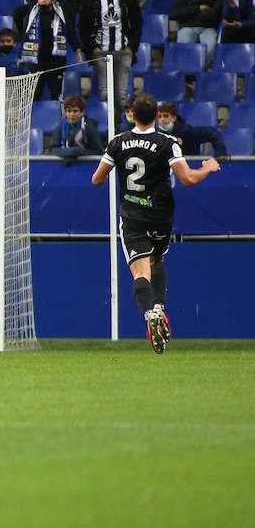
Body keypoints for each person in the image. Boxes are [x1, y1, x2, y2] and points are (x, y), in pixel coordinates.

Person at [90, 92, 219, 353]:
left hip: (132, 215)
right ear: (156, 118)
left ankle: (150, 315)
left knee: (140, 272)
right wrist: (207, 167)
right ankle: (160, 306)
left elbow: (97, 179)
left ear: (133, 116)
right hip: (161, 215)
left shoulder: (118, 142)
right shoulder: (167, 142)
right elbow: (188, 179)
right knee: (157, 260)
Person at [76, 0, 142, 113]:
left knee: (121, 96)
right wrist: (93, 49)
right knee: (105, 93)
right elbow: (83, 27)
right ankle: (107, 131)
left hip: (123, 50)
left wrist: (131, 47)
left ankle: (120, 129)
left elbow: (137, 24)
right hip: (101, 51)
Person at [13, 0, 80, 101]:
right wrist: (21, 56)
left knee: (57, 95)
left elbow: (70, 32)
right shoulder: (32, 15)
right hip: (36, 62)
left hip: (56, 63)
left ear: (53, 0)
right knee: (34, 96)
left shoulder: (61, 15)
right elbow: (26, 35)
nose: (43, 1)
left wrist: (78, 50)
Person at [173, 0, 223, 67]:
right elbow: (178, 12)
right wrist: (199, 9)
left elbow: (216, 14)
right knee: (184, 45)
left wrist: (192, 12)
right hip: (187, 26)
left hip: (208, 28)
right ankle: (188, 73)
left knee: (212, 46)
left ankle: (196, 70)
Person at [156, 100, 227, 161]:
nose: (162, 119)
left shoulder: (186, 131)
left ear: (174, 118)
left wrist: (220, 152)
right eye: (159, 117)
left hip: (191, 166)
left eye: (165, 116)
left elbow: (212, 132)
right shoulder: (158, 135)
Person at [50, 94, 105, 164]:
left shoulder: (89, 127)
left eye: (75, 111)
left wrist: (77, 152)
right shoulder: (61, 127)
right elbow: (52, 150)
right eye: (69, 111)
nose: (72, 114)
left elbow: (98, 152)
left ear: (82, 112)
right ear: (65, 113)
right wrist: (72, 153)